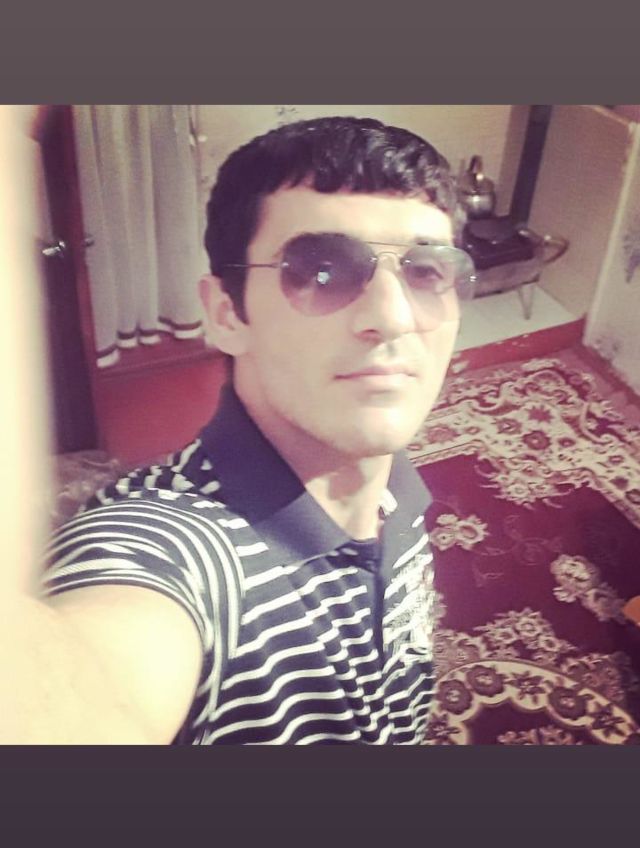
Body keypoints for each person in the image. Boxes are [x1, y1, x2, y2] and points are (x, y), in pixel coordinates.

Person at [8, 115, 476, 744]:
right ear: (227, 315)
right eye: (321, 271)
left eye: (425, 272)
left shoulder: (399, 488)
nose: (394, 317)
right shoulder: (173, 548)